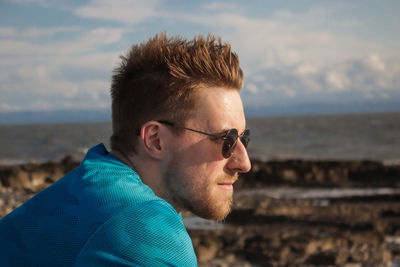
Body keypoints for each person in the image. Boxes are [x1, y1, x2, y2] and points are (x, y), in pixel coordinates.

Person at [0, 33, 251, 266]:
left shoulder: (88, 185)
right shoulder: (142, 227)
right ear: (155, 139)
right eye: (225, 139)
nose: (244, 162)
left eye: (243, 138)